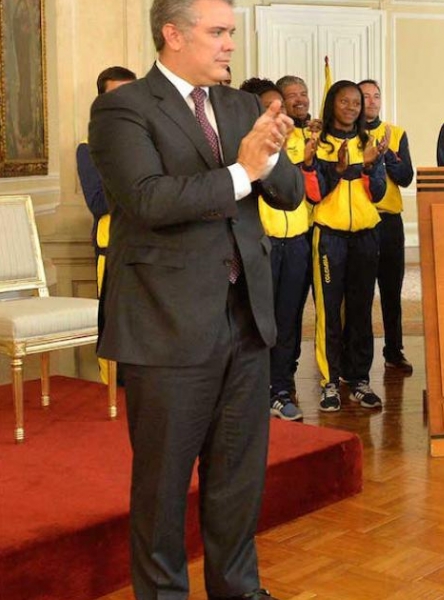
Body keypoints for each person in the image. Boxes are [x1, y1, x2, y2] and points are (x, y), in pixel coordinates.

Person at [87, 0, 304, 597]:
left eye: (231, 32)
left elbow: (286, 194)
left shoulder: (240, 106)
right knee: (162, 487)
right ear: (173, 34)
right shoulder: (122, 109)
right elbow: (149, 200)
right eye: (217, 32)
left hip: (244, 320)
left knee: (237, 479)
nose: (230, 44)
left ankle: (238, 589)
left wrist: (273, 151)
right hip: (166, 322)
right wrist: (242, 170)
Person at [303, 80, 388, 412]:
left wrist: (367, 166)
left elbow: (377, 192)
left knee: (361, 309)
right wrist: (338, 169)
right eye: (345, 102)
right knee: (328, 311)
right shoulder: (319, 144)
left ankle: (359, 379)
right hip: (330, 237)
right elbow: (315, 193)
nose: (353, 107)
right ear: (331, 104)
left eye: (357, 103)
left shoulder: (369, 143)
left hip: (366, 236)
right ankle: (329, 381)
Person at [242, 76, 312, 421]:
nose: (279, 113)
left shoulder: (300, 139)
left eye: (280, 107)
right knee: (260, 323)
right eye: (270, 108)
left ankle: (281, 388)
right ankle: (257, 390)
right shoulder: (244, 148)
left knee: (289, 319)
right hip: (263, 246)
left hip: (297, 242)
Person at [77, 65, 136, 387]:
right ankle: (112, 398)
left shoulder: (153, 140)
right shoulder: (88, 147)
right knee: (115, 333)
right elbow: (99, 203)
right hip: (112, 248)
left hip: (152, 247)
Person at [360, 79, 416, 375]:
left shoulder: (396, 133)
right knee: (361, 293)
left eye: (376, 96)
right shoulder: (348, 133)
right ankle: (358, 355)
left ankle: (394, 351)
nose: (371, 101)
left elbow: (406, 177)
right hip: (360, 222)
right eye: (365, 96)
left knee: (392, 291)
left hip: (390, 221)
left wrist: (387, 155)